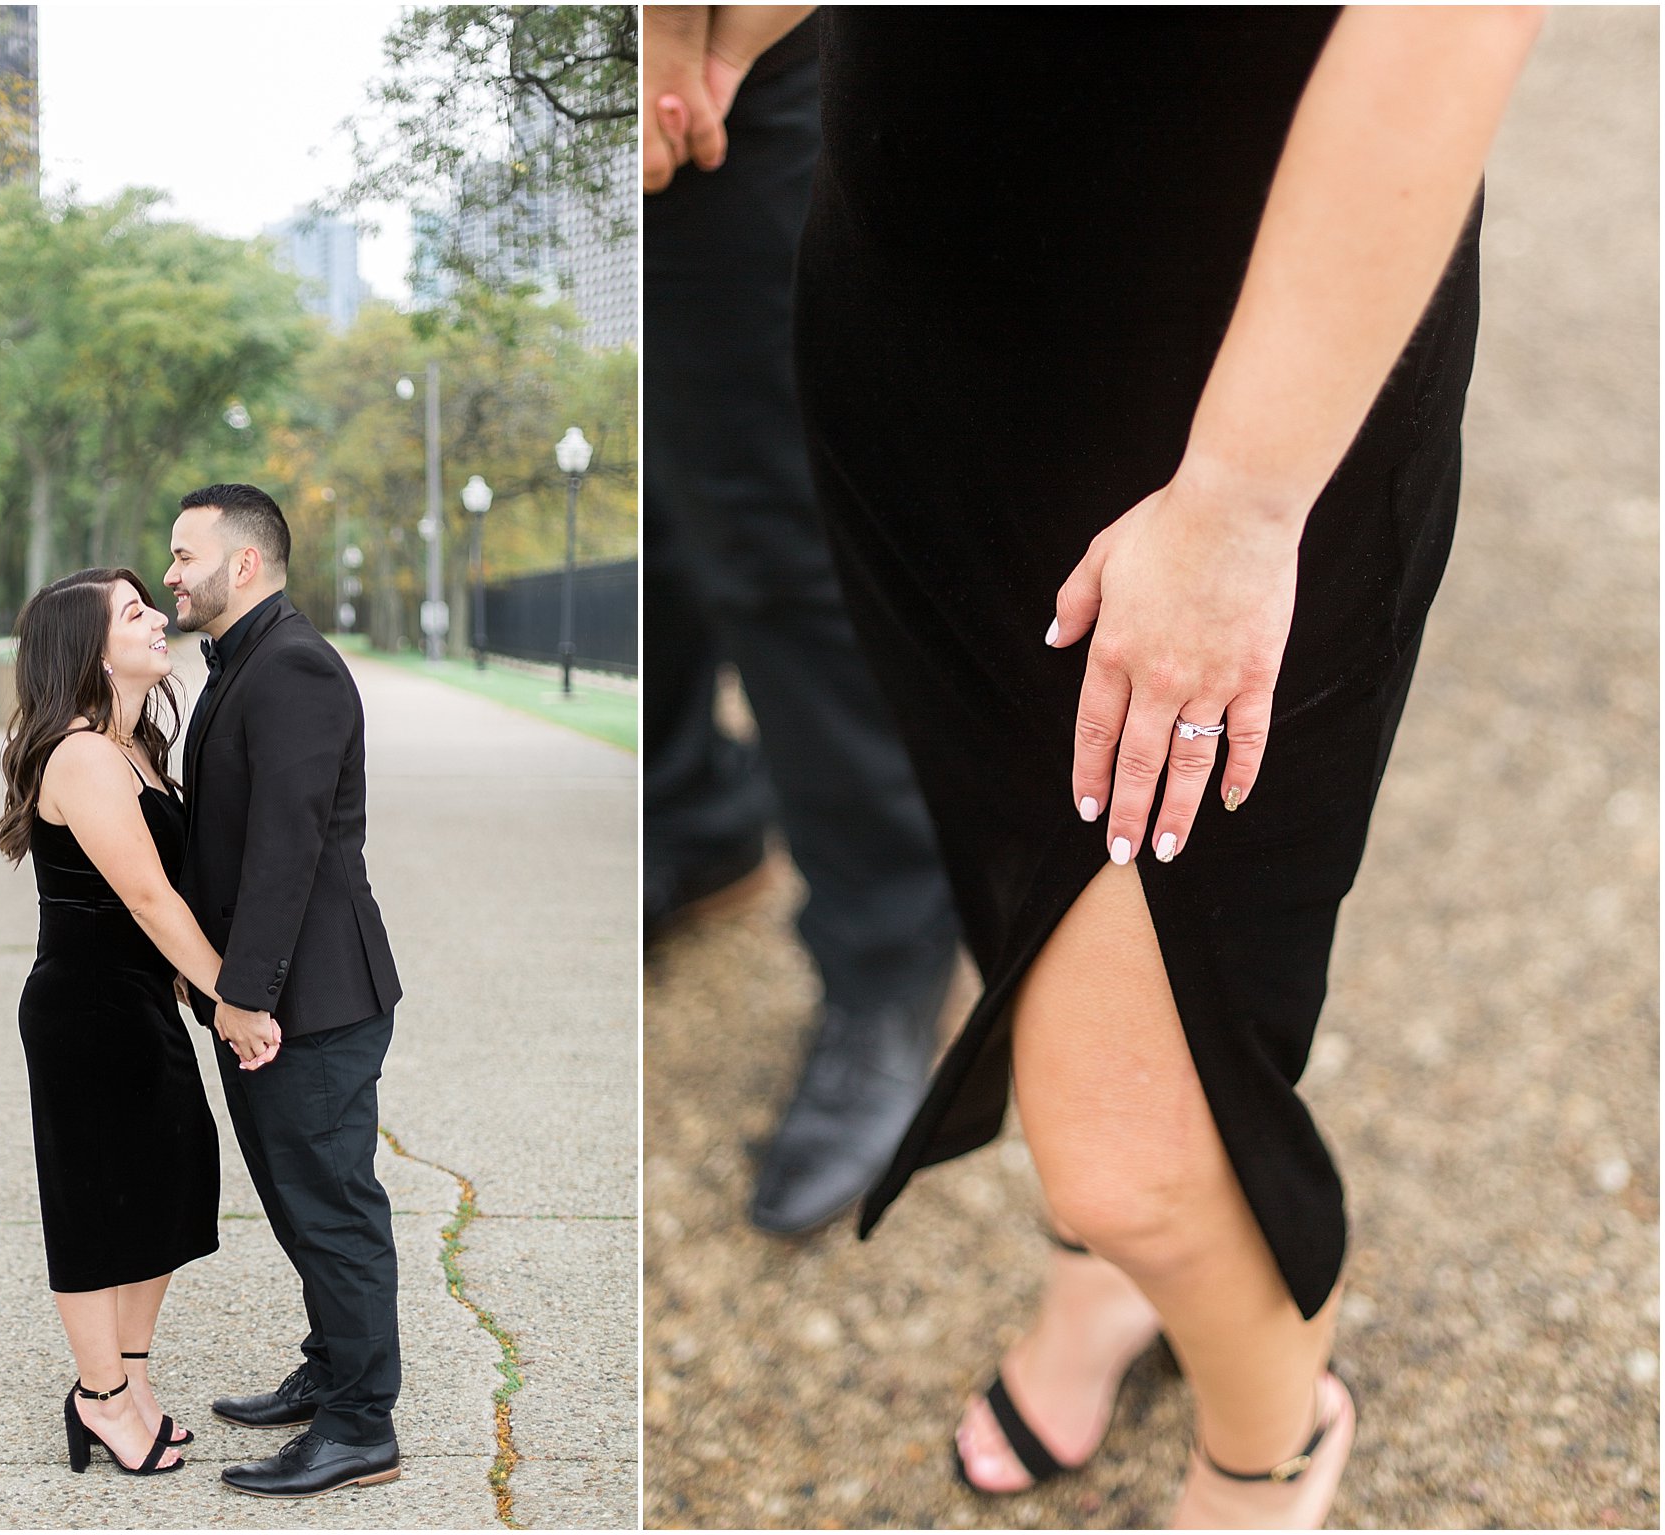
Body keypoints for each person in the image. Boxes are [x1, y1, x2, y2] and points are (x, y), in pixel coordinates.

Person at [649, 6, 1543, 1527]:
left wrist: (1244, 507)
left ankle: (1273, 1440)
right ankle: (1106, 1286)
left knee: (1137, 1144)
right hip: (914, 312)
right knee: (1016, 900)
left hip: (1216, 387)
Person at [644, 9, 962, 1237]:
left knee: (772, 520)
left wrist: (671, 36)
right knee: (652, 489)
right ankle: (694, 816)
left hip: (726, 50)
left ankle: (888, 951)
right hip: (560, 73)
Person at [163, 483, 406, 1500]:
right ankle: (331, 1363)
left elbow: (285, 850)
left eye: (183, 554)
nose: (171, 572)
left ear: (244, 563)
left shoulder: (293, 665)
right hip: (270, 997)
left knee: (333, 1204)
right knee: (295, 1195)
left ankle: (360, 1420)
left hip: (309, 996)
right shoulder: (245, 660)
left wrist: (244, 992)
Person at [0, 566, 246, 1478]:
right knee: (96, 1204)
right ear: (87, 647)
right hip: (86, 1009)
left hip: (135, 1001)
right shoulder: (81, 755)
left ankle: (128, 1379)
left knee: (171, 1182)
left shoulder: (133, 743)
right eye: (131, 611)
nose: (155, 619)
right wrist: (227, 996)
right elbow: (146, 895)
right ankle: (100, 1397)